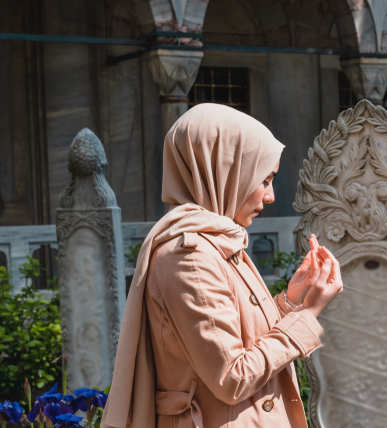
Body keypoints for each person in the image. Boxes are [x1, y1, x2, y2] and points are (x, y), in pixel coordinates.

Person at [102, 104, 343, 428]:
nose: (271, 196)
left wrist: (289, 302)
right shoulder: (189, 257)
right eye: (264, 180)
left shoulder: (216, 242)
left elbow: (234, 338)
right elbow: (232, 377)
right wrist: (308, 314)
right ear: (225, 172)